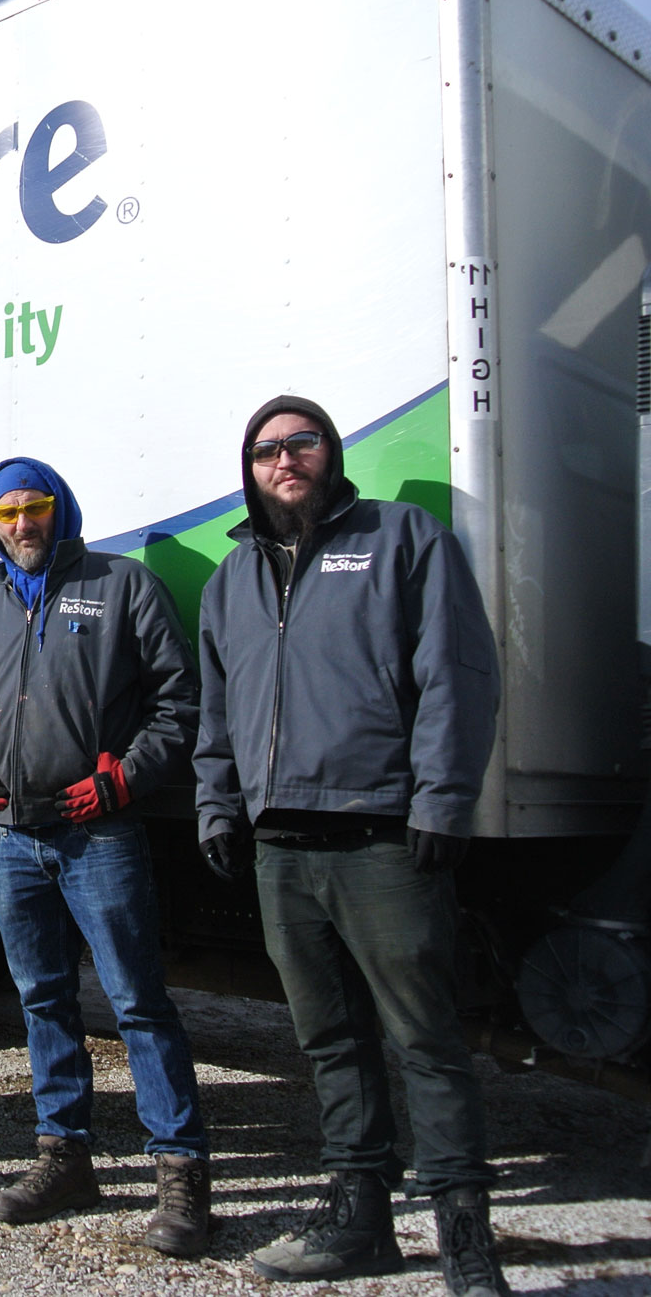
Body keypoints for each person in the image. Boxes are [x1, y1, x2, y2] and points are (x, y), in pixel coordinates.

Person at [194, 397, 508, 1297]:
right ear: (248, 467)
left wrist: (444, 799)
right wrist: (220, 809)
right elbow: (218, 717)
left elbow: (457, 672)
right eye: (266, 449)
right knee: (328, 1038)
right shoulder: (231, 580)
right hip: (279, 845)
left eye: (302, 443)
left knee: (426, 1039)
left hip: (382, 836)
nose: (285, 459)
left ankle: (464, 1234)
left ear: (330, 452)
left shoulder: (402, 538)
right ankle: (359, 1213)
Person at [0, 457, 212, 1256]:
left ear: (61, 508)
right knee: (42, 999)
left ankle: (183, 1175)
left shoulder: (121, 585)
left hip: (98, 834)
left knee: (137, 1002)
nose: (21, 523)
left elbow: (179, 702)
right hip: (11, 838)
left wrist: (125, 780)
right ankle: (65, 1158)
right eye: (5, 512)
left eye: (34, 506)